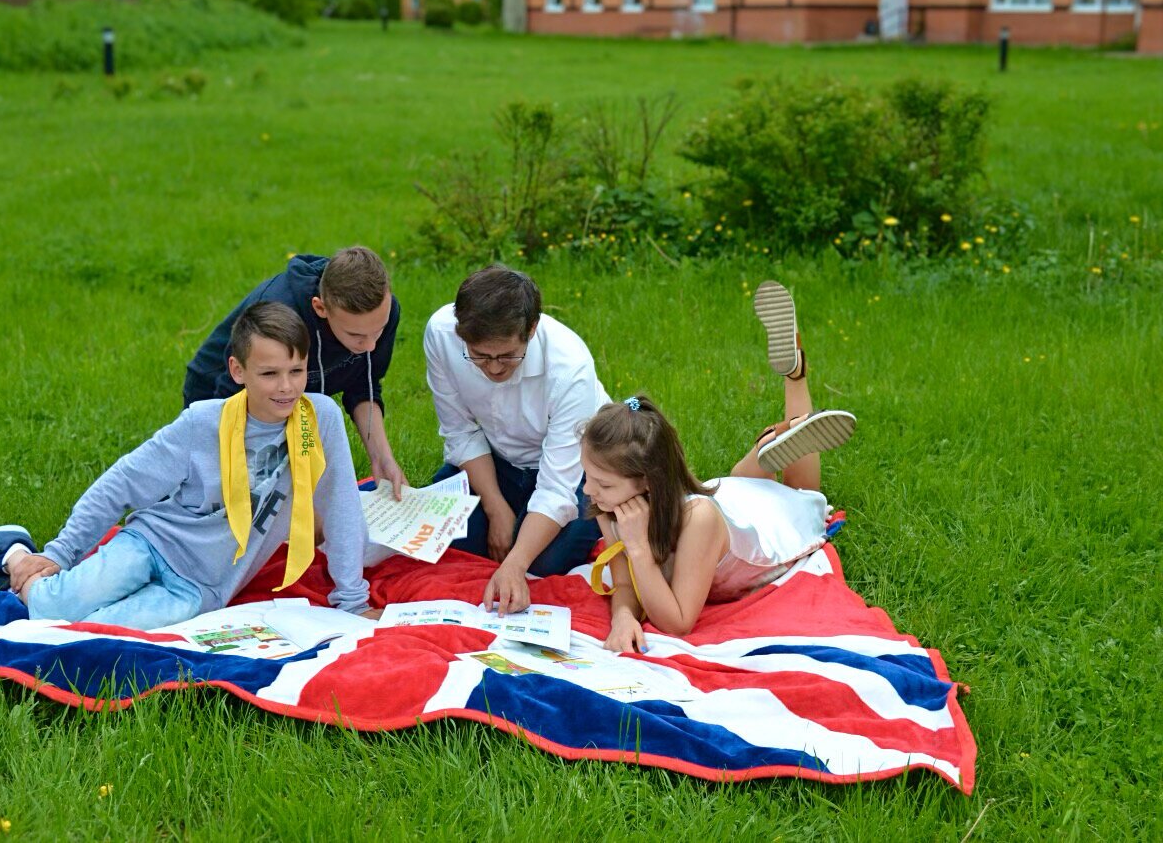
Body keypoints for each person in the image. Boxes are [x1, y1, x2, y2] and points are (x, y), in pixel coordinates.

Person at [0, 302, 378, 630]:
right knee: (52, 608)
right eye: (269, 374)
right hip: (155, 542)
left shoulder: (319, 420)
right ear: (238, 371)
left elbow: (340, 503)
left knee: (88, 633)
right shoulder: (205, 422)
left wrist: (351, 602)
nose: (286, 388)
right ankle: (14, 553)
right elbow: (122, 482)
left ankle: (8, 577)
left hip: (203, 586)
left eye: (296, 372)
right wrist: (60, 552)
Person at [579, 281, 856, 652]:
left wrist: (640, 551)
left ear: (646, 481)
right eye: (588, 477)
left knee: (805, 498)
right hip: (728, 498)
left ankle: (788, 401)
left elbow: (677, 622)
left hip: (753, 526)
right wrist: (624, 616)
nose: (587, 491)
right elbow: (626, 585)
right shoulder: (611, 503)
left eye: (602, 483)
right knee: (748, 484)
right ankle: (769, 444)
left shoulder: (695, 521)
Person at [424, 265, 611, 614]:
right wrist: (496, 508)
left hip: (575, 467)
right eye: (479, 355)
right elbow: (460, 431)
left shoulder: (570, 367)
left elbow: (558, 486)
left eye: (507, 356)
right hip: (499, 462)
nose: (493, 368)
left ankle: (591, 521)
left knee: (544, 562)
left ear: (532, 329)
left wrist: (515, 564)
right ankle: (512, 521)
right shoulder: (440, 333)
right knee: (443, 531)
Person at [183, 246, 407, 499]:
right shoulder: (279, 315)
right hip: (222, 393)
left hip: (287, 400)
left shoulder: (380, 315)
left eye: (378, 331)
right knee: (219, 496)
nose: (370, 346)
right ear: (320, 308)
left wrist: (382, 458)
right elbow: (233, 400)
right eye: (355, 335)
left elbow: (363, 386)